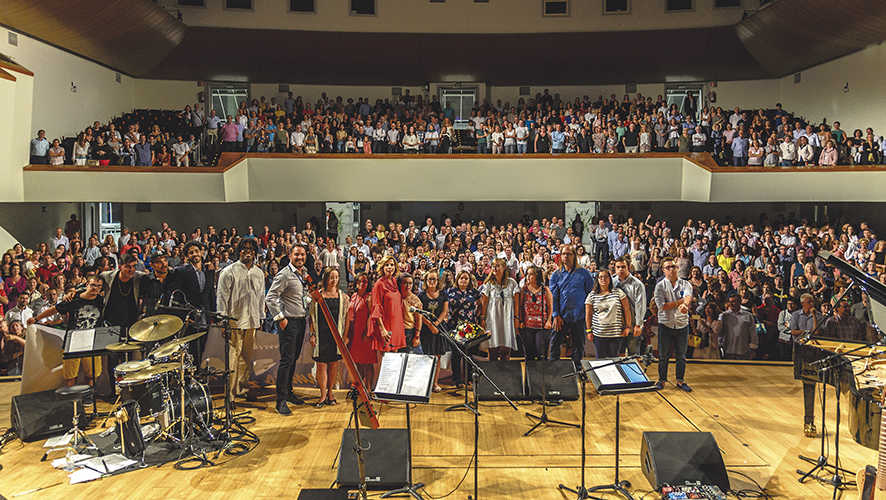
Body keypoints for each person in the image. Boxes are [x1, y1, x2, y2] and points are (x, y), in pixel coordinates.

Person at [29, 275, 104, 386]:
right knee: (70, 376)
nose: (95, 288)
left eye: (98, 286)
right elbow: (55, 309)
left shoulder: (101, 301)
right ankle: (72, 400)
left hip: (92, 341)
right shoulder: (74, 299)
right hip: (73, 342)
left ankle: (88, 398)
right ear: (87, 285)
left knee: (92, 375)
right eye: (93, 285)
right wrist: (36, 318)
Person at [216, 239, 265, 403]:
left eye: (251, 249)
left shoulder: (259, 273)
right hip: (233, 321)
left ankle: (242, 388)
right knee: (232, 359)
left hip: (252, 321)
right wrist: (223, 320)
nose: (247, 251)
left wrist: (261, 317)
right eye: (244, 249)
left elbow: (260, 298)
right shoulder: (229, 272)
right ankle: (229, 395)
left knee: (246, 358)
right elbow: (222, 298)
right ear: (239, 251)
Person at [266, 244, 310, 415]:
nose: (300, 257)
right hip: (288, 322)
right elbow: (270, 298)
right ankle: (280, 401)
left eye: (302, 254)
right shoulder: (284, 274)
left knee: (293, 359)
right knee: (286, 361)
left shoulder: (302, 273)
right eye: (297, 254)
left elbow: (300, 296)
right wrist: (280, 318)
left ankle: (289, 393)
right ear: (290, 256)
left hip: (300, 321)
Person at [308, 267, 350, 407]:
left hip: (336, 337)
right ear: (326, 279)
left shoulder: (343, 297)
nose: (334, 280)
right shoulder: (317, 295)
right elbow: (311, 316)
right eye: (331, 277)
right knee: (321, 366)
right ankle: (322, 395)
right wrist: (312, 334)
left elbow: (347, 319)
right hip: (321, 335)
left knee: (333, 365)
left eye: (336, 277)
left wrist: (345, 336)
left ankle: (331, 393)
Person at [549, 244, 595, 364]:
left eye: (569, 254)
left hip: (579, 316)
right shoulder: (556, 275)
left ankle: (577, 370)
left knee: (578, 346)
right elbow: (553, 297)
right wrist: (555, 315)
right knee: (554, 345)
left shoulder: (584, 273)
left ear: (574, 256)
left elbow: (590, 293)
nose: (566, 256)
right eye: (564, 254)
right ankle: (553, 371)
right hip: (561, 316)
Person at [653, 256, 694, 392]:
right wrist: (679, 303)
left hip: (682, 324)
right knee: (663, 355)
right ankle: (662, 380)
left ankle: (680, 381)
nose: (672, 269)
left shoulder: (685, 284)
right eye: (668, 267)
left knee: (681, 355)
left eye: (674, 266)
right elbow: (662, 306)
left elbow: (688, 297)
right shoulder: (660, 286)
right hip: (666, 324)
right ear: (663, 270)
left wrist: (685, 304)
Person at [790, 293, 822, 437]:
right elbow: (793, 331)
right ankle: (808, 421)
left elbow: (817, 332)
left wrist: (814, 316)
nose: (812, 304)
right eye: (810, 302)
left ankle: (810, 421)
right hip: (802, 352)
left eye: (813, 302)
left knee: (811, 385)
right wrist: (806, 332)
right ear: (804, 303)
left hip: (815, 352)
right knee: (807, 385)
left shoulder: (818, 315)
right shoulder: (796, 315)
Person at [584, 269, 632, 358]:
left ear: (610, 279)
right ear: (597, 279)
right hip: (599, 334)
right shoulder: (592, 295)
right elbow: (588, 314)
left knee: (614, 361)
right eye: (600, 277)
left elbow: (627, 310)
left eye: (606, 277)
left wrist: (628, 327)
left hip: (615, 334)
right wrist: (588, 331)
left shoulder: (618, 292)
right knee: (601, 362)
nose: (603, 279)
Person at [479, 258, 520, 361]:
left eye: (497, 266)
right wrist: (483, 318)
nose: (495, 268)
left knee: (505, 352)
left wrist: (516, 318)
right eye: (493, 266)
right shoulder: (488, 284)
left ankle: (505, 375)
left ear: (504, 267)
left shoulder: (512, 283)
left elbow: (516, 303)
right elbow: (484, 303)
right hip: (493, 319)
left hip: (507, 319)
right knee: (492, 350)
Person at [446, 270, 481, 387]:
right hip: (454, 325)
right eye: (461, 278)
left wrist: (478, 317)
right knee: (456, 353)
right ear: (457, 279)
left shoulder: (474, 292)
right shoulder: (450, 291)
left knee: (469, 353)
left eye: (466, 278)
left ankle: (469, 377)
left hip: (469, 327)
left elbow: (480, 305)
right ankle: (457, 379)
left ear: (469, 280)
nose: (464, 280)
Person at [369, 256, 406, 359]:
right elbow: (376, 307)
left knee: (395, 359)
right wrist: (382, 329)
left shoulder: (394, 281)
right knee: (385, 360)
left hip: (396, 324)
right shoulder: (379, 284)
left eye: (392, 265)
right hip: (385, 326)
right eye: (387, 265)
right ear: (382, 267)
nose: (390, 267)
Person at [418, 270, 448, 391]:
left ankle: (435, 383)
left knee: (437, 356)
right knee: (426, 356)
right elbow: (420, 313)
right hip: (425, 329)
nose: (432, 282)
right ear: (425, 281)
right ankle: (425, 383)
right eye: (429, 279)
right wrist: (430, 325)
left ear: (437, 281)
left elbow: (444, 311)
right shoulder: (421, 295)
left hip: (438, 328)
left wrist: (436, 324)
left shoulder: (443, 294)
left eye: (434, 279)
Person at [346, 273, 375, 387]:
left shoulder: (369, 297)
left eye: (365, 281)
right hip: (354, 333)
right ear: (356, 283)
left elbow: (371, 316)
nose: (362, 284)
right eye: (360, 281)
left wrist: (368, 333)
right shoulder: (354, 296)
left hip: (365, 333)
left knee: (367, 363)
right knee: (357, 362)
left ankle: (368, 389)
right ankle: (359, 387)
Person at [613, 257, 647, 355]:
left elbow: (640, 306)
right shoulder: (612, 282)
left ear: (628, 267)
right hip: (617, 325)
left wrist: (638, 325)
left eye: (623, 267)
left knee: (633, 356)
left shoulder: (637, 284)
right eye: (618, 267)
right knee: (617, 355)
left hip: (633, 325)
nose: (620, 269)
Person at [519, 265, 552, 361]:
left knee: (541, 354)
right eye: (527, 274)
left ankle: (541, 375)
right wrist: (521, 320)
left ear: (537, 276)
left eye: (531, 274)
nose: (528, 277)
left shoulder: (545, 290)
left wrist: (549, 321)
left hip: (541, 326)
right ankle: (529, 375)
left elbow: (550, 308)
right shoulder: (524, 289)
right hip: (527, 325)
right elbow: (520, 306)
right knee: (529, 355)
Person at [717, 293, 757, 360]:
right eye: (730, 302)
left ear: (739, 302)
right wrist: (719, 345)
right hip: (728, 351)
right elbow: (720, 333)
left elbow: (753, 333)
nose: (732, 304)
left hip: (743, 351)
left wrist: (753, 348)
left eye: (734, 301)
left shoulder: (748, 315)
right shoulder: (723, 316)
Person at [400, 273, 423, 354]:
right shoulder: (396, 296)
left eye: (410, 283)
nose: (408, 286)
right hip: (396, 331)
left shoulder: (415, 300)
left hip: (409, 332)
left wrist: (417, 336)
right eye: (405, 283)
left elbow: (419, 319)